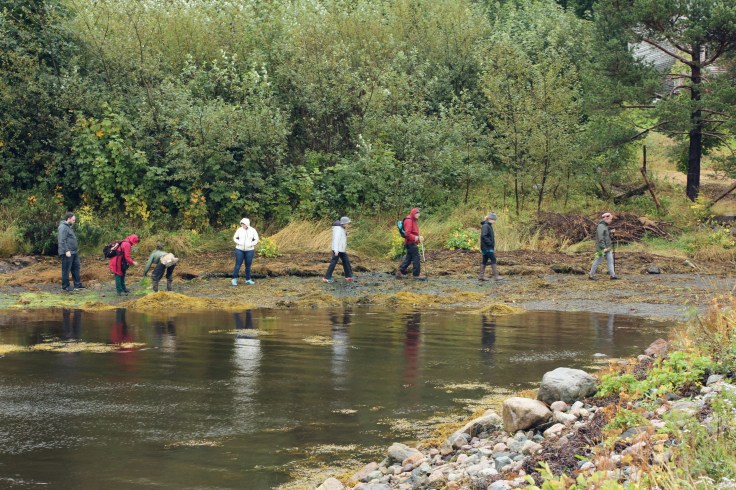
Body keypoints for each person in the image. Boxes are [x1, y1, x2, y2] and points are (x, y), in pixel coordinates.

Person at [58, 212, 85, 291]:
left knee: (76, 268)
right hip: (67, 252)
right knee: (66, 269)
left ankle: (77, 284)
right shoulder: (63, 227)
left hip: (74, 252)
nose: (74, 221)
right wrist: (66, 250)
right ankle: (65, 286)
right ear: (68, 219)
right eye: (73, 220)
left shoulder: (69, 227)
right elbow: (62, 240)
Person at [396, 208, 425, 280]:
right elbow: (407, 234)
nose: (419, 215)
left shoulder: (413, 220)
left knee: (408, 259)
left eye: (419, 213)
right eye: (417, 213)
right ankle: (416, 275)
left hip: (410, 243)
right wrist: (417, 238)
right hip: (410, 243)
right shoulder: (409, 220)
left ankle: (400, 272)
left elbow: (413, 233)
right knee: (416, 258)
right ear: (413, 213)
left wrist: (418, 239)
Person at [322, 216, 353, 283]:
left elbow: (341, 237)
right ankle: (326, 278)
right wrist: (336, 250)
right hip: (337, 250)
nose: (348, 224)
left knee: (346, 261)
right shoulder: (338, 229)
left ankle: (349, 276)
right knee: (333, 263)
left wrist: (345, 234)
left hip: (341, 249)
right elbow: (336, 240)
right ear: (344, 223)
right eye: (348, 223)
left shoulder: (342, 228)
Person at [589, 212, 619, 280]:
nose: (611, 221)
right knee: (597, 261)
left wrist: (610, 232)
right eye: (611, 219)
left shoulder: (605, 226)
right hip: (602, 248)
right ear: (607, 218)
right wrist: (603, 248)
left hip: (608, 247)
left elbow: (605, 235)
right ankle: (591, 275)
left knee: (610, 261)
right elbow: (600, 238)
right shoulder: (601, 226)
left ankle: (613, 275)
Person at [232, 218, 259, 286]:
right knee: (238, 264)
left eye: (243, 224)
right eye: (241, 224)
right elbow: (234, 238)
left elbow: (256, 239)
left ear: (247, 224)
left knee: (248, 265)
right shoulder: (239, 230)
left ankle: (248, 279)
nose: (242, 225)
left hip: (249, 250)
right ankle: (234, 279)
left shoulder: (253, 230)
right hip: (239, 249)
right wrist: (239, 242)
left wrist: (251, 244)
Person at [479, 212, 502, 281]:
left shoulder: (488, 225)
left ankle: (481, 276)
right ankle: (496, 276)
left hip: (486, 247)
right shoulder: (486, 226)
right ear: (489, 219)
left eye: (495, 220)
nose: (494, 221)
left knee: (485, 260)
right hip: (487, 247)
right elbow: (484, 236)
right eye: (494, 220)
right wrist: (490, 243)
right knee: (493, 259)